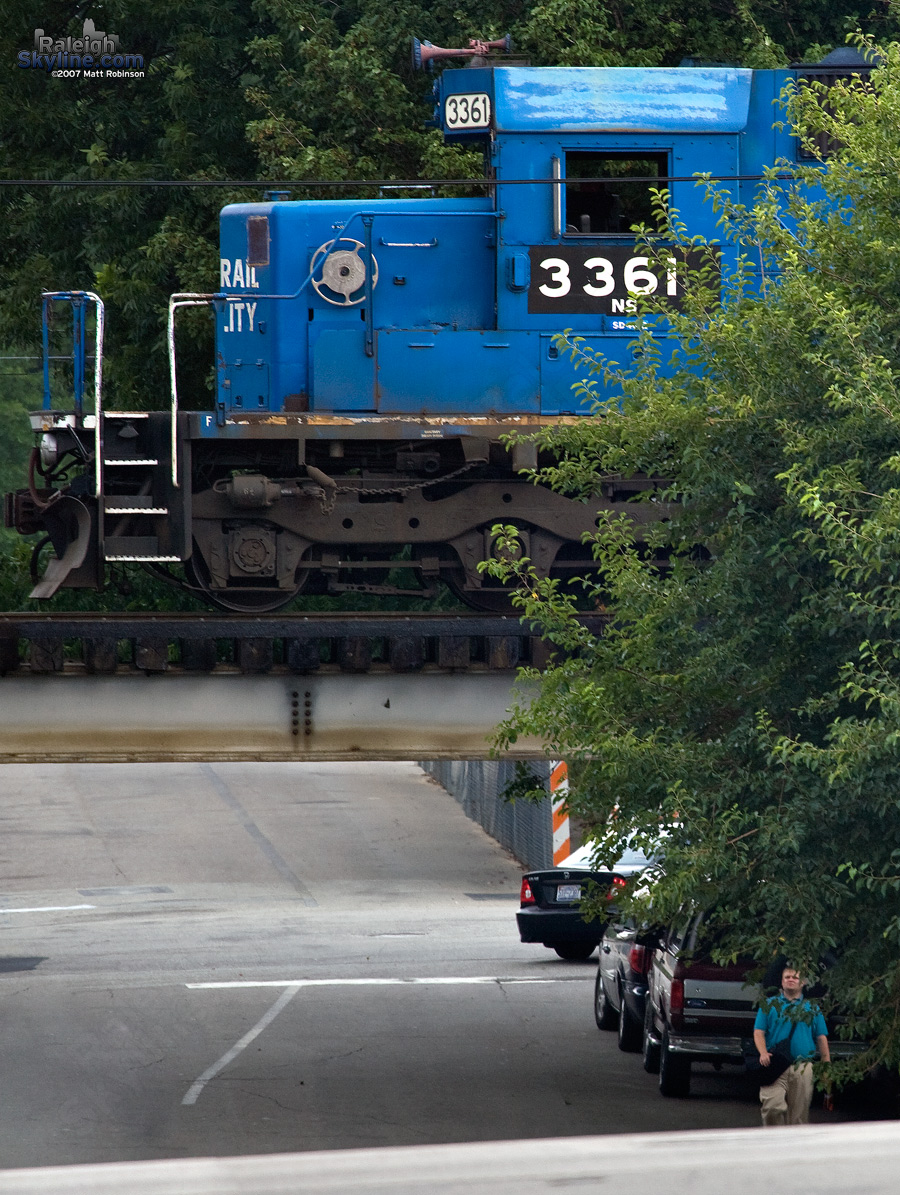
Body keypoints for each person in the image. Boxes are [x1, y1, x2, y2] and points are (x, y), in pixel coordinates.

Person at [752, 965, 831, 1126]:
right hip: (774, 1064)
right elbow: (758, 1032)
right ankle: (775, 1143)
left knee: (799, 1117)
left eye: (795, 977)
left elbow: (821, 1038)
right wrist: (763, 1053)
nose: (791, 979)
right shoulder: (769, 1005)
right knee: (772, 1107)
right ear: (781, 982)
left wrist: (826, 1065)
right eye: (787, 977)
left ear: (802, 983)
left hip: (802, 1067)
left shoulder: (812, 1008)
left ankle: (795, 1148)